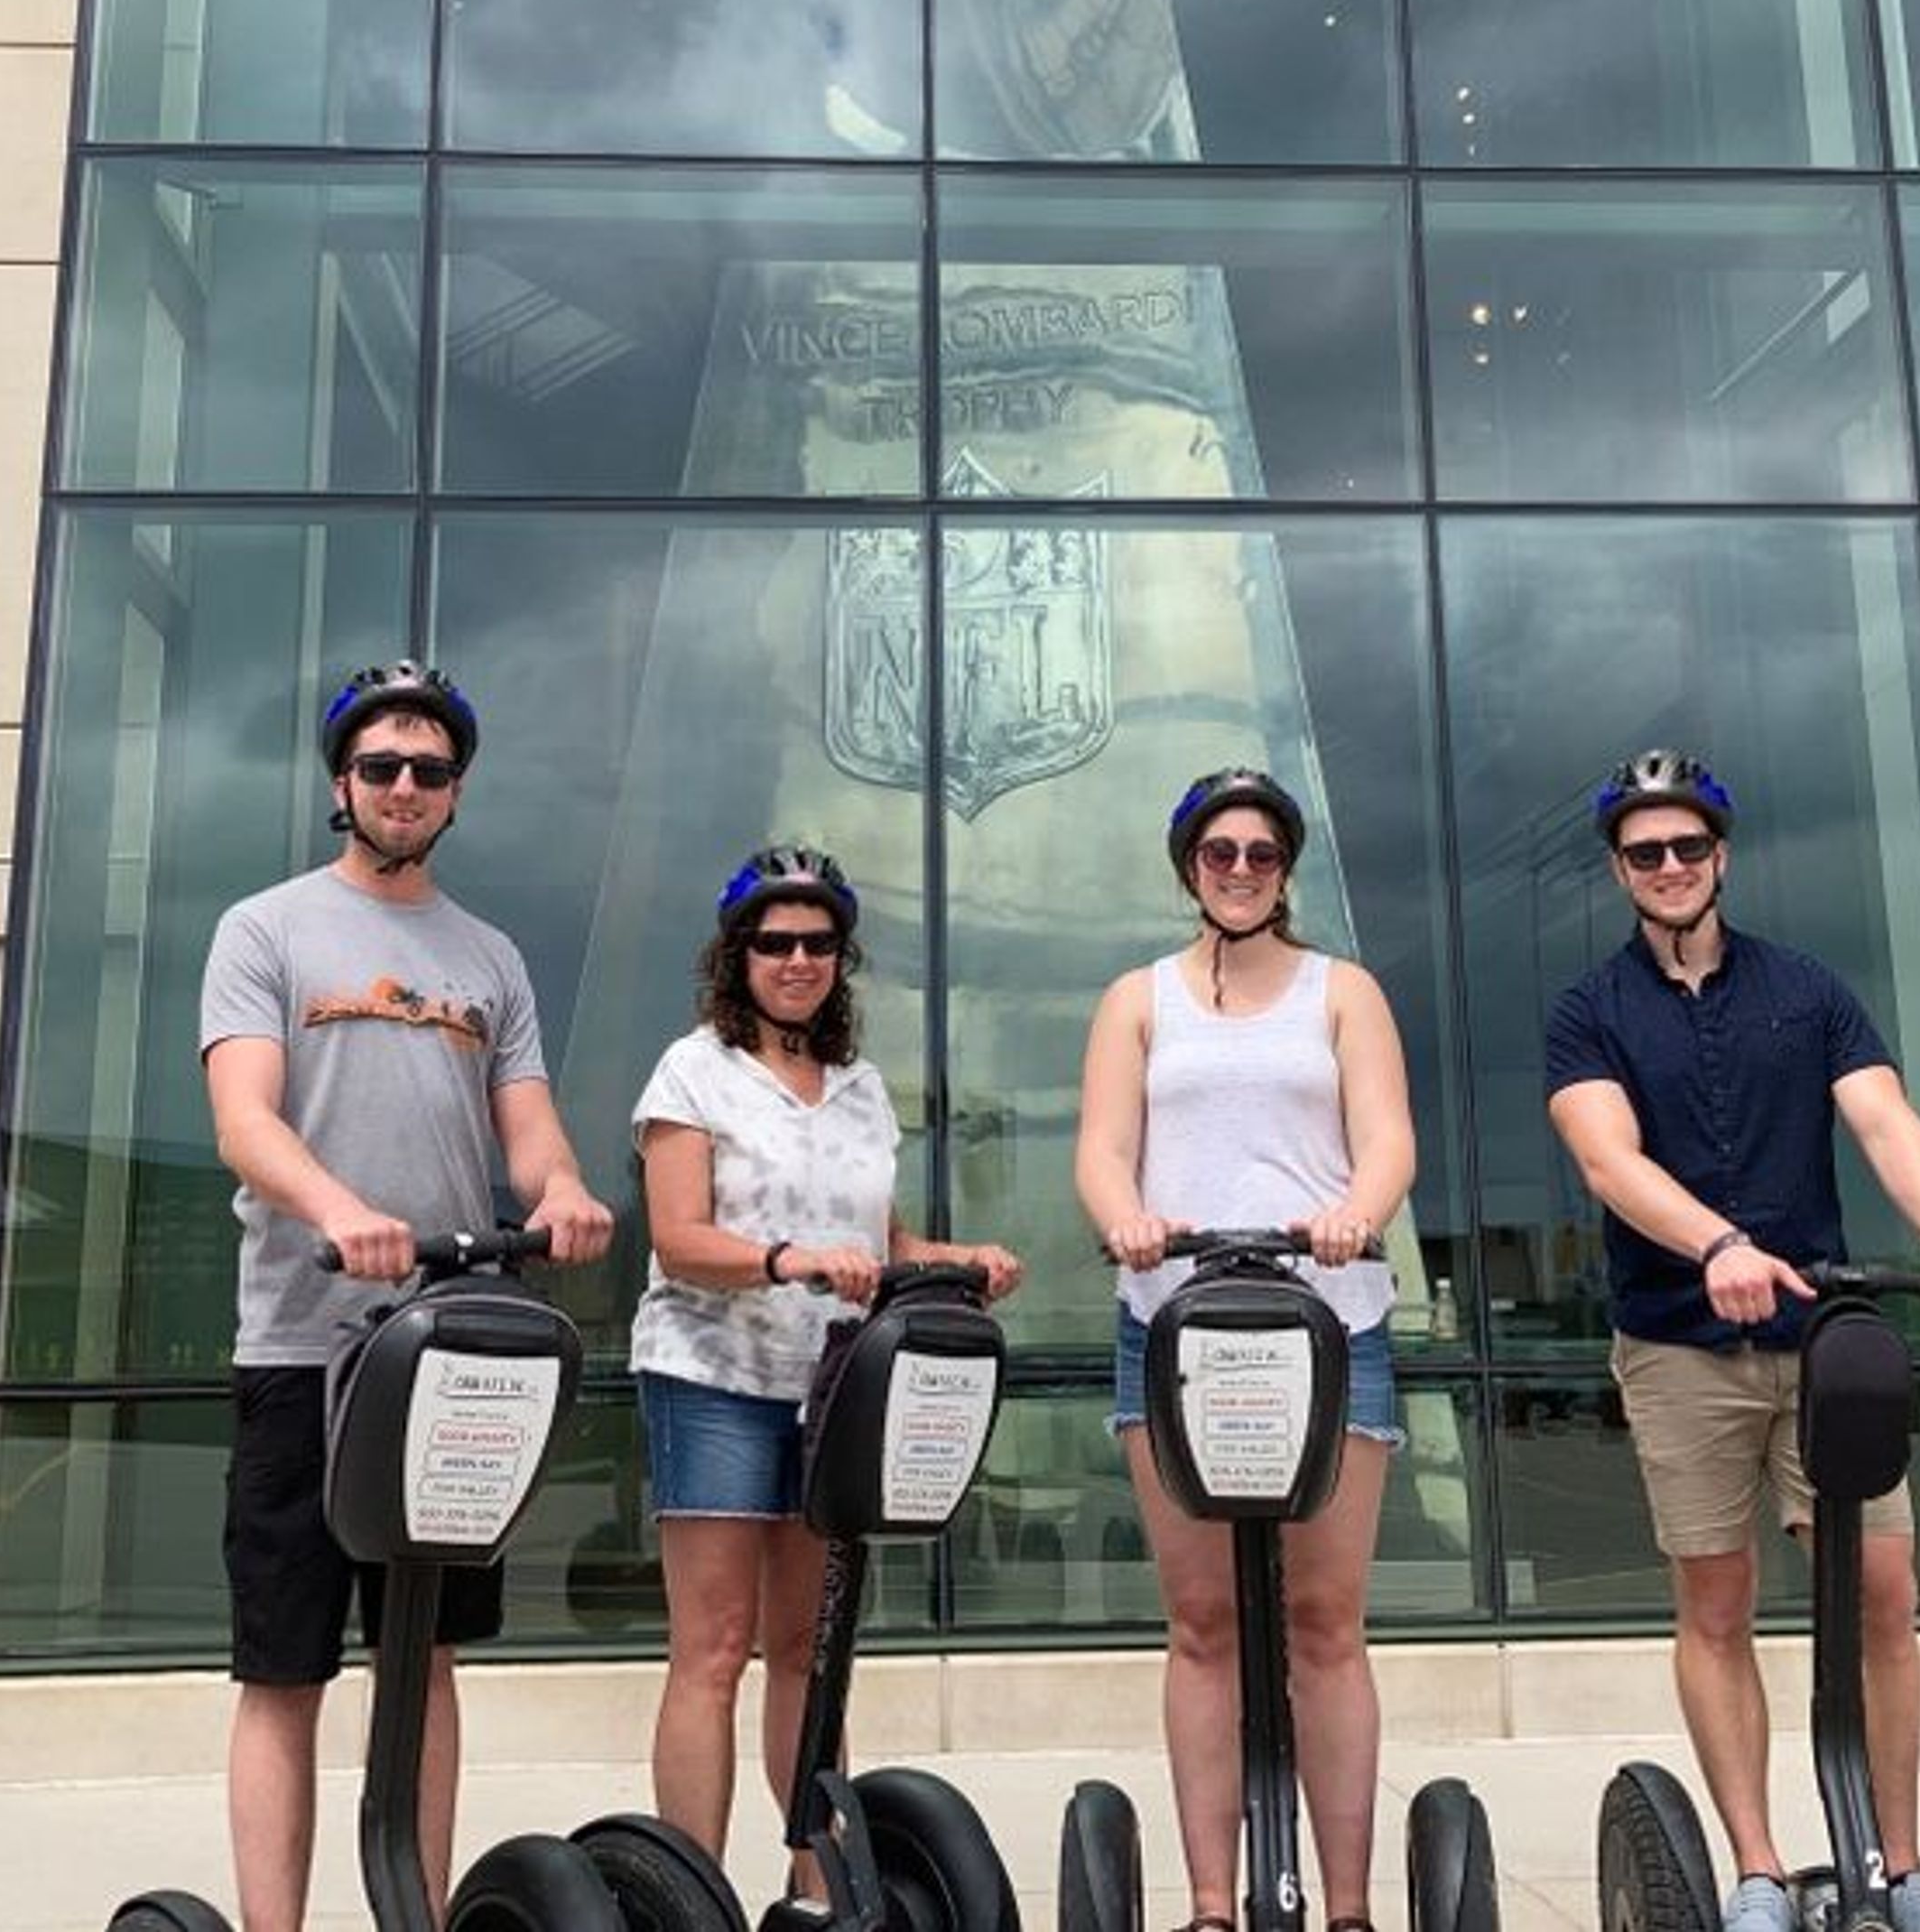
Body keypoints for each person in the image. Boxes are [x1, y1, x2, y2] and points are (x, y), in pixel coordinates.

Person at [1540, 748, 1920, 1932]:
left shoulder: (1807, 991)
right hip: (1678, 1347)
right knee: (1717, 1602)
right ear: (1620, 871)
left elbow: (1883, 1116)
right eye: (1644, 853)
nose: (1668, 868)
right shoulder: (1587, 1014)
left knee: (1882, 1594)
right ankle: (1754, 1872)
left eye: (1687, 847)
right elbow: (1610, 1160)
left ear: (1722, 856)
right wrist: (1716, 1247)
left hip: (1824, 1347)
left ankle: (1899, 1870)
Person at [199, 660, 617, 1932]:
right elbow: (241, 1120)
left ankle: (416, 1918)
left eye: (428, 770)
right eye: (380, 766)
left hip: (447, 1353)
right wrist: (337, 1212)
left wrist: (564, 1196)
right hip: (302, 1347)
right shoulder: (264, 930)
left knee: (424, 1658)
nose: (403, 786)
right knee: (285, 1670)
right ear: (343, 784)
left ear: (453, 794)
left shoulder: (488, 957)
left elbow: (531, 1131)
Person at [627, 843, 1023, 1884]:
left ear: (840, 959)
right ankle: (691, 1893)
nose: (798, 960)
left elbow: (878, 1240)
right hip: (711, 1378)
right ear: (739, 954)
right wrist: (786, 1262)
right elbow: (676, 1237)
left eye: (819, 944)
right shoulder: (693, 1070)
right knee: (714, 1649)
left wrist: (960, 1260)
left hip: (830, 1390)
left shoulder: (857, 1088)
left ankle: (821, 1889)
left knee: (807, 1648)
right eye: (776, 942)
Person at [1074, 768, 1419, 1932]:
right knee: (1204, 1623)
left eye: (1259, 854)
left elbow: (1388, 1142)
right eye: (1218, 852)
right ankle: (1214, 1906)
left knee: (1325, 1622)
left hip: (1332, 1324)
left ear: (1285, 868)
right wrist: (1122, 1216)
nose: (1238, 870)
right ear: (1189, 866)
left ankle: (1351, 1909)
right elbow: (1102, 1148)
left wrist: (1354, 1213)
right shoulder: (1138, 999)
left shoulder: (1343, 992)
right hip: (1175, 1327)